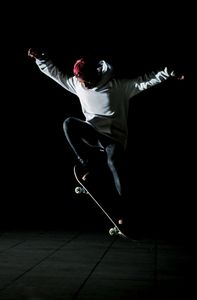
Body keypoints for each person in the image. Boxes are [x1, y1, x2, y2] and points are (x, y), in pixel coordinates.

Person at [28, 48, 184, 236]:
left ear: (95, 75)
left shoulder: (118, 87)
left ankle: (125, 212)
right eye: (80, 80)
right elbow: (56, 75)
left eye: (85, 80)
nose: (82, 84)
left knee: (114, 163)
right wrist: (41, 59)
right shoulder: (77, 84)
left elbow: (144, 82)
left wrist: (167, 72)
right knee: (69, 123)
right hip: (93, 133)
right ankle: (88, 165)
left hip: (114, 139)